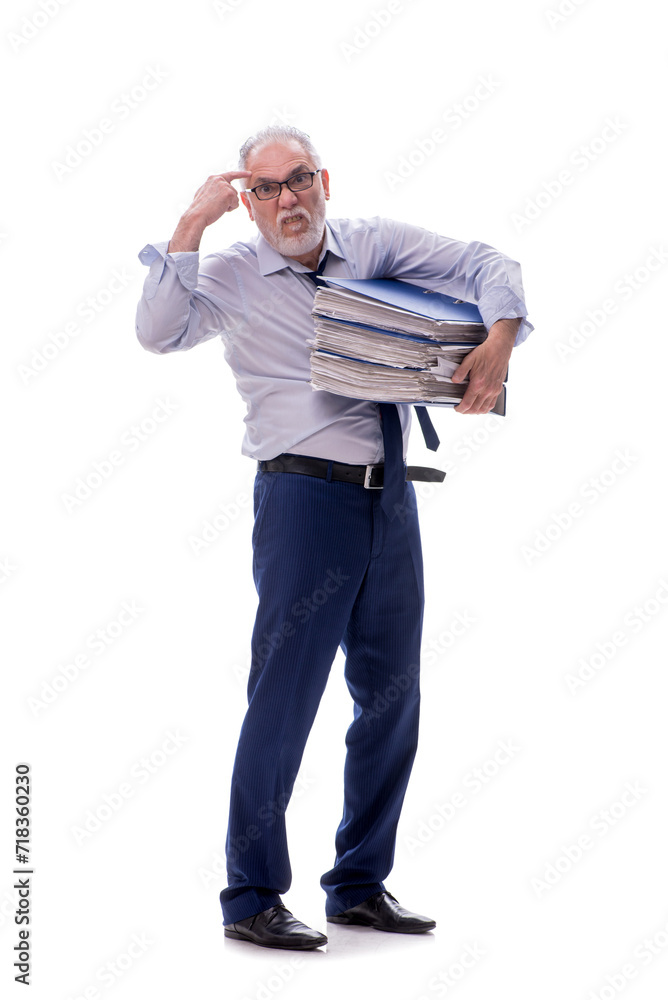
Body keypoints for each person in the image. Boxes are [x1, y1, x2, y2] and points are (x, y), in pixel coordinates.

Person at [135, 124, 533, 952]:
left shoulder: (370, 244)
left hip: (391, 501)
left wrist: (498, 336)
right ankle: (249, 896)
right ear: (248, 200)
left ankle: (358, 884)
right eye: (268, 188)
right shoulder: (235, 273)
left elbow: (487, 263)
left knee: (392, 697)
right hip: (301, 502)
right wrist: (189, 227)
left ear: (326, 180)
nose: (290, 199)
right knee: (283, 701)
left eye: (301, 179)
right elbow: (158, 332)